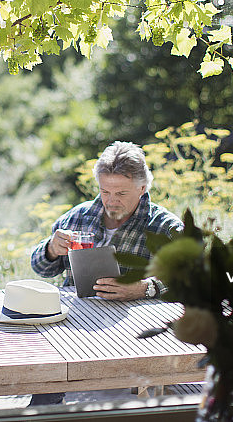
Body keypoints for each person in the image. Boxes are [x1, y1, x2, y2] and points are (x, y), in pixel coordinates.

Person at [28, 141, 183, 406]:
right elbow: (41, 268)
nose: (111, 200)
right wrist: (52, 249)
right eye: (104, 191)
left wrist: (144, 288)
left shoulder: (166, 227)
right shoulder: (77, 217)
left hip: (132, 336)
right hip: (73, 327)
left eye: (121, 193)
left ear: (143, 188)